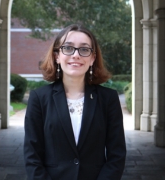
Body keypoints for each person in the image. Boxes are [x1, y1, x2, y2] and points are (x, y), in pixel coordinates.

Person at [24, 24, 126, 180]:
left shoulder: (109, 99)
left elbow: (117, 154)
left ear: (92, 58)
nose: (76, 55)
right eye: (68, 48)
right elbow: (32, 155)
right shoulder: (39, 98)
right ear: (57, 56)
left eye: (84, 49)